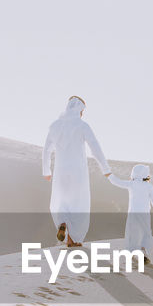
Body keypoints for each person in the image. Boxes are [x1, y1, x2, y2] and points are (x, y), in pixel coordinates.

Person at [42, 96, 111, 247]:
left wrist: (46, 170)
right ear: (79, 109)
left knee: (61, 202)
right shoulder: (82, 125)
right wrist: (105, 168)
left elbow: (46, 150)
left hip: (60, 171)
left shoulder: (55, 126)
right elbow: (95, 147)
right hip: (78, 171)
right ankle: (74, 239)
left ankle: (62, 224)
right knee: (79, 204)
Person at [108, 164, 153, 262]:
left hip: (133, 213)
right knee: (146, 232)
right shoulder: (149, 186)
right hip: (144, 214)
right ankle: (143, 250)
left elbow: (118, 182)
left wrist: (109, 175)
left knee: (132, 233)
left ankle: (131, 253)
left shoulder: (131, 184)